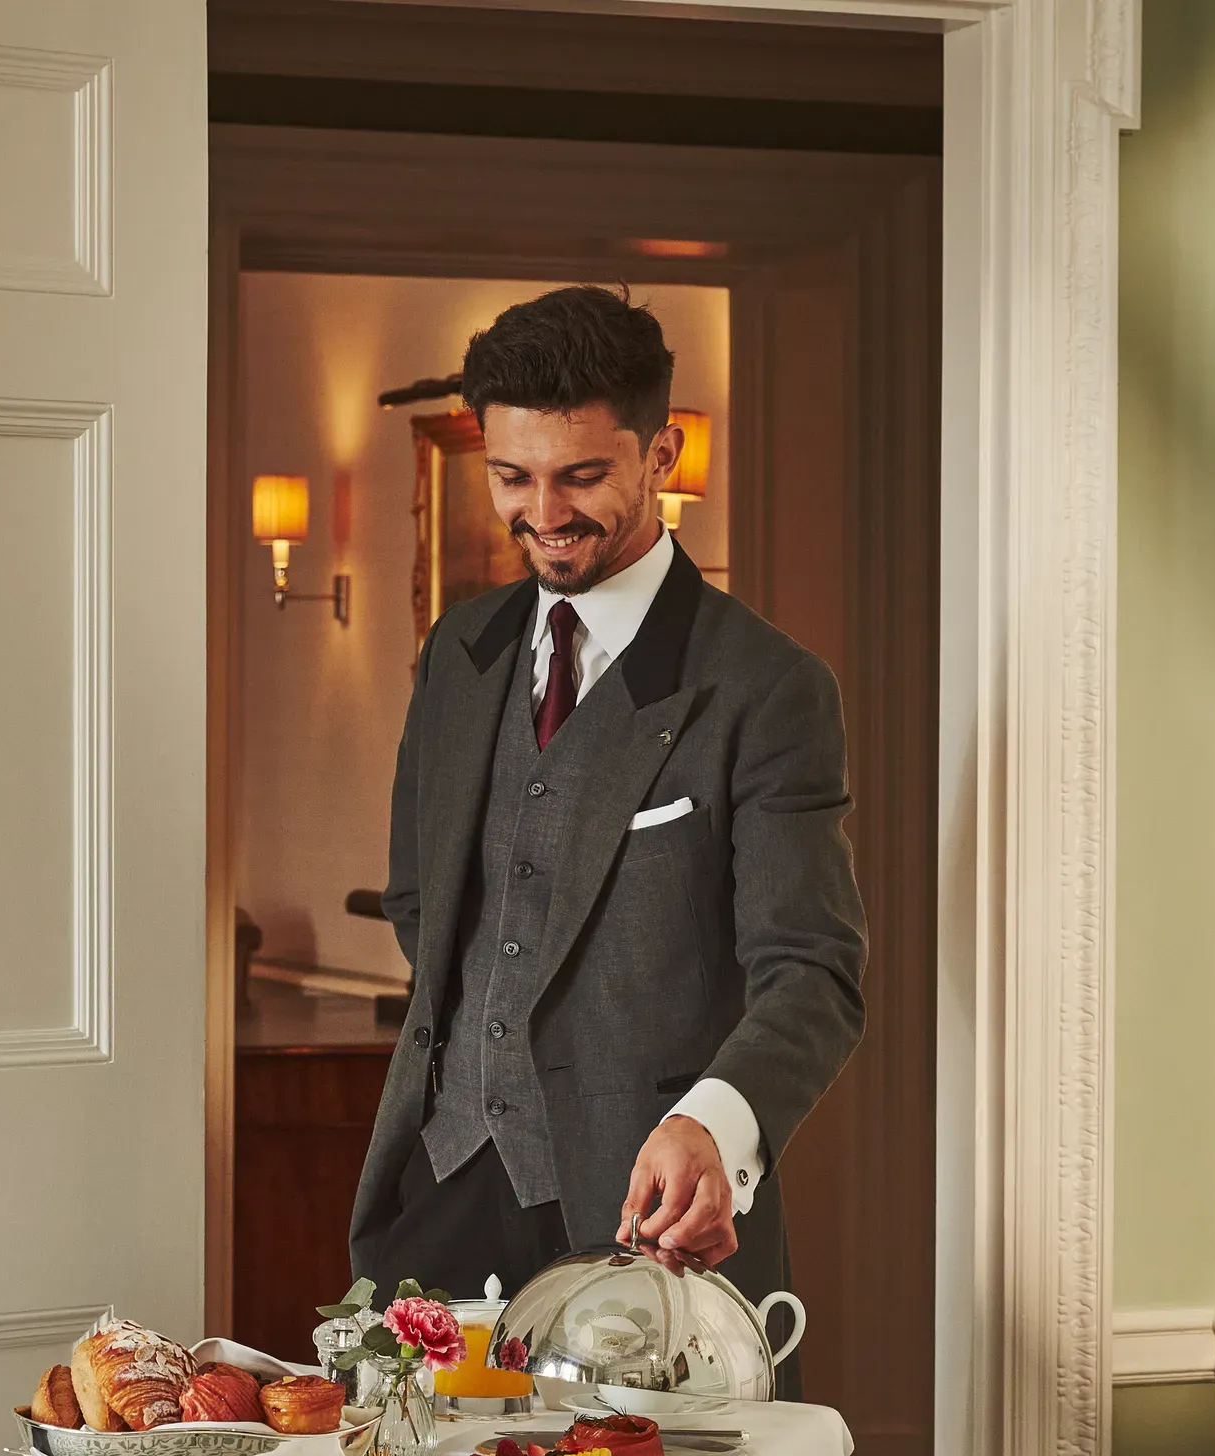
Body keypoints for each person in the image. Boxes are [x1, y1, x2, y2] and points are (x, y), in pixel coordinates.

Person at [350, 285, 866, 1384]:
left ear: (659, 454)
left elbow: (812, 972)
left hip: (648, 1229)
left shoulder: (765, 687)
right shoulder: (460, 654)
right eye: (511, 476)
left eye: (581, 476)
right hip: (440, 1190)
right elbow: (419, 899)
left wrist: (711, 1124)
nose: (544, 511)